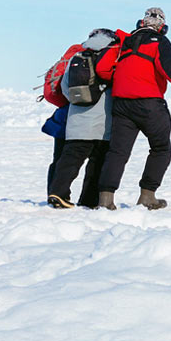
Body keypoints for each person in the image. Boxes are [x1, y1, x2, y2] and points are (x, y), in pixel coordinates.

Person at [96, 8, 171, 210]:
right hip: (149, 103)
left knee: (117, 152)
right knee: (161, 149)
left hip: (121, 104)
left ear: (140, 24)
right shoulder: (159, 42)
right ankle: (147, 196)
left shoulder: (123, 42)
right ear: (162, 28)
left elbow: (103, 69)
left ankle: (105, 200)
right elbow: (170, 68)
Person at [48, 29, 119, 209]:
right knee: (97, 163)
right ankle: (89, 200)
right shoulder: (110, 60)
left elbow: (66, 89)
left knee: (70, 160)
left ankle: (58, 193)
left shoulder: (76, 58)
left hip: (77, 122)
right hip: (102, 123)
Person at [41, 105, 68, 195]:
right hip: (71, 119)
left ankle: (54, 194)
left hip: (62, 119)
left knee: (58, 160)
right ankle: (57, 194)